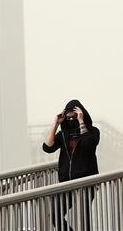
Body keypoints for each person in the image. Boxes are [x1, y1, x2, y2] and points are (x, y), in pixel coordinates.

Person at [41, 99, 101, 231]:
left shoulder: (93, 131)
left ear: (82, 114)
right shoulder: (63, 135)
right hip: (66, 182)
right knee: (55, 216)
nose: (71, 119)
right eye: (69, 118)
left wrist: (81, 121)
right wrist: (56, 124)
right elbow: (47, 147)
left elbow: (88, 144)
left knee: (84, 219)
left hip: (86, 181)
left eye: (74, 116)